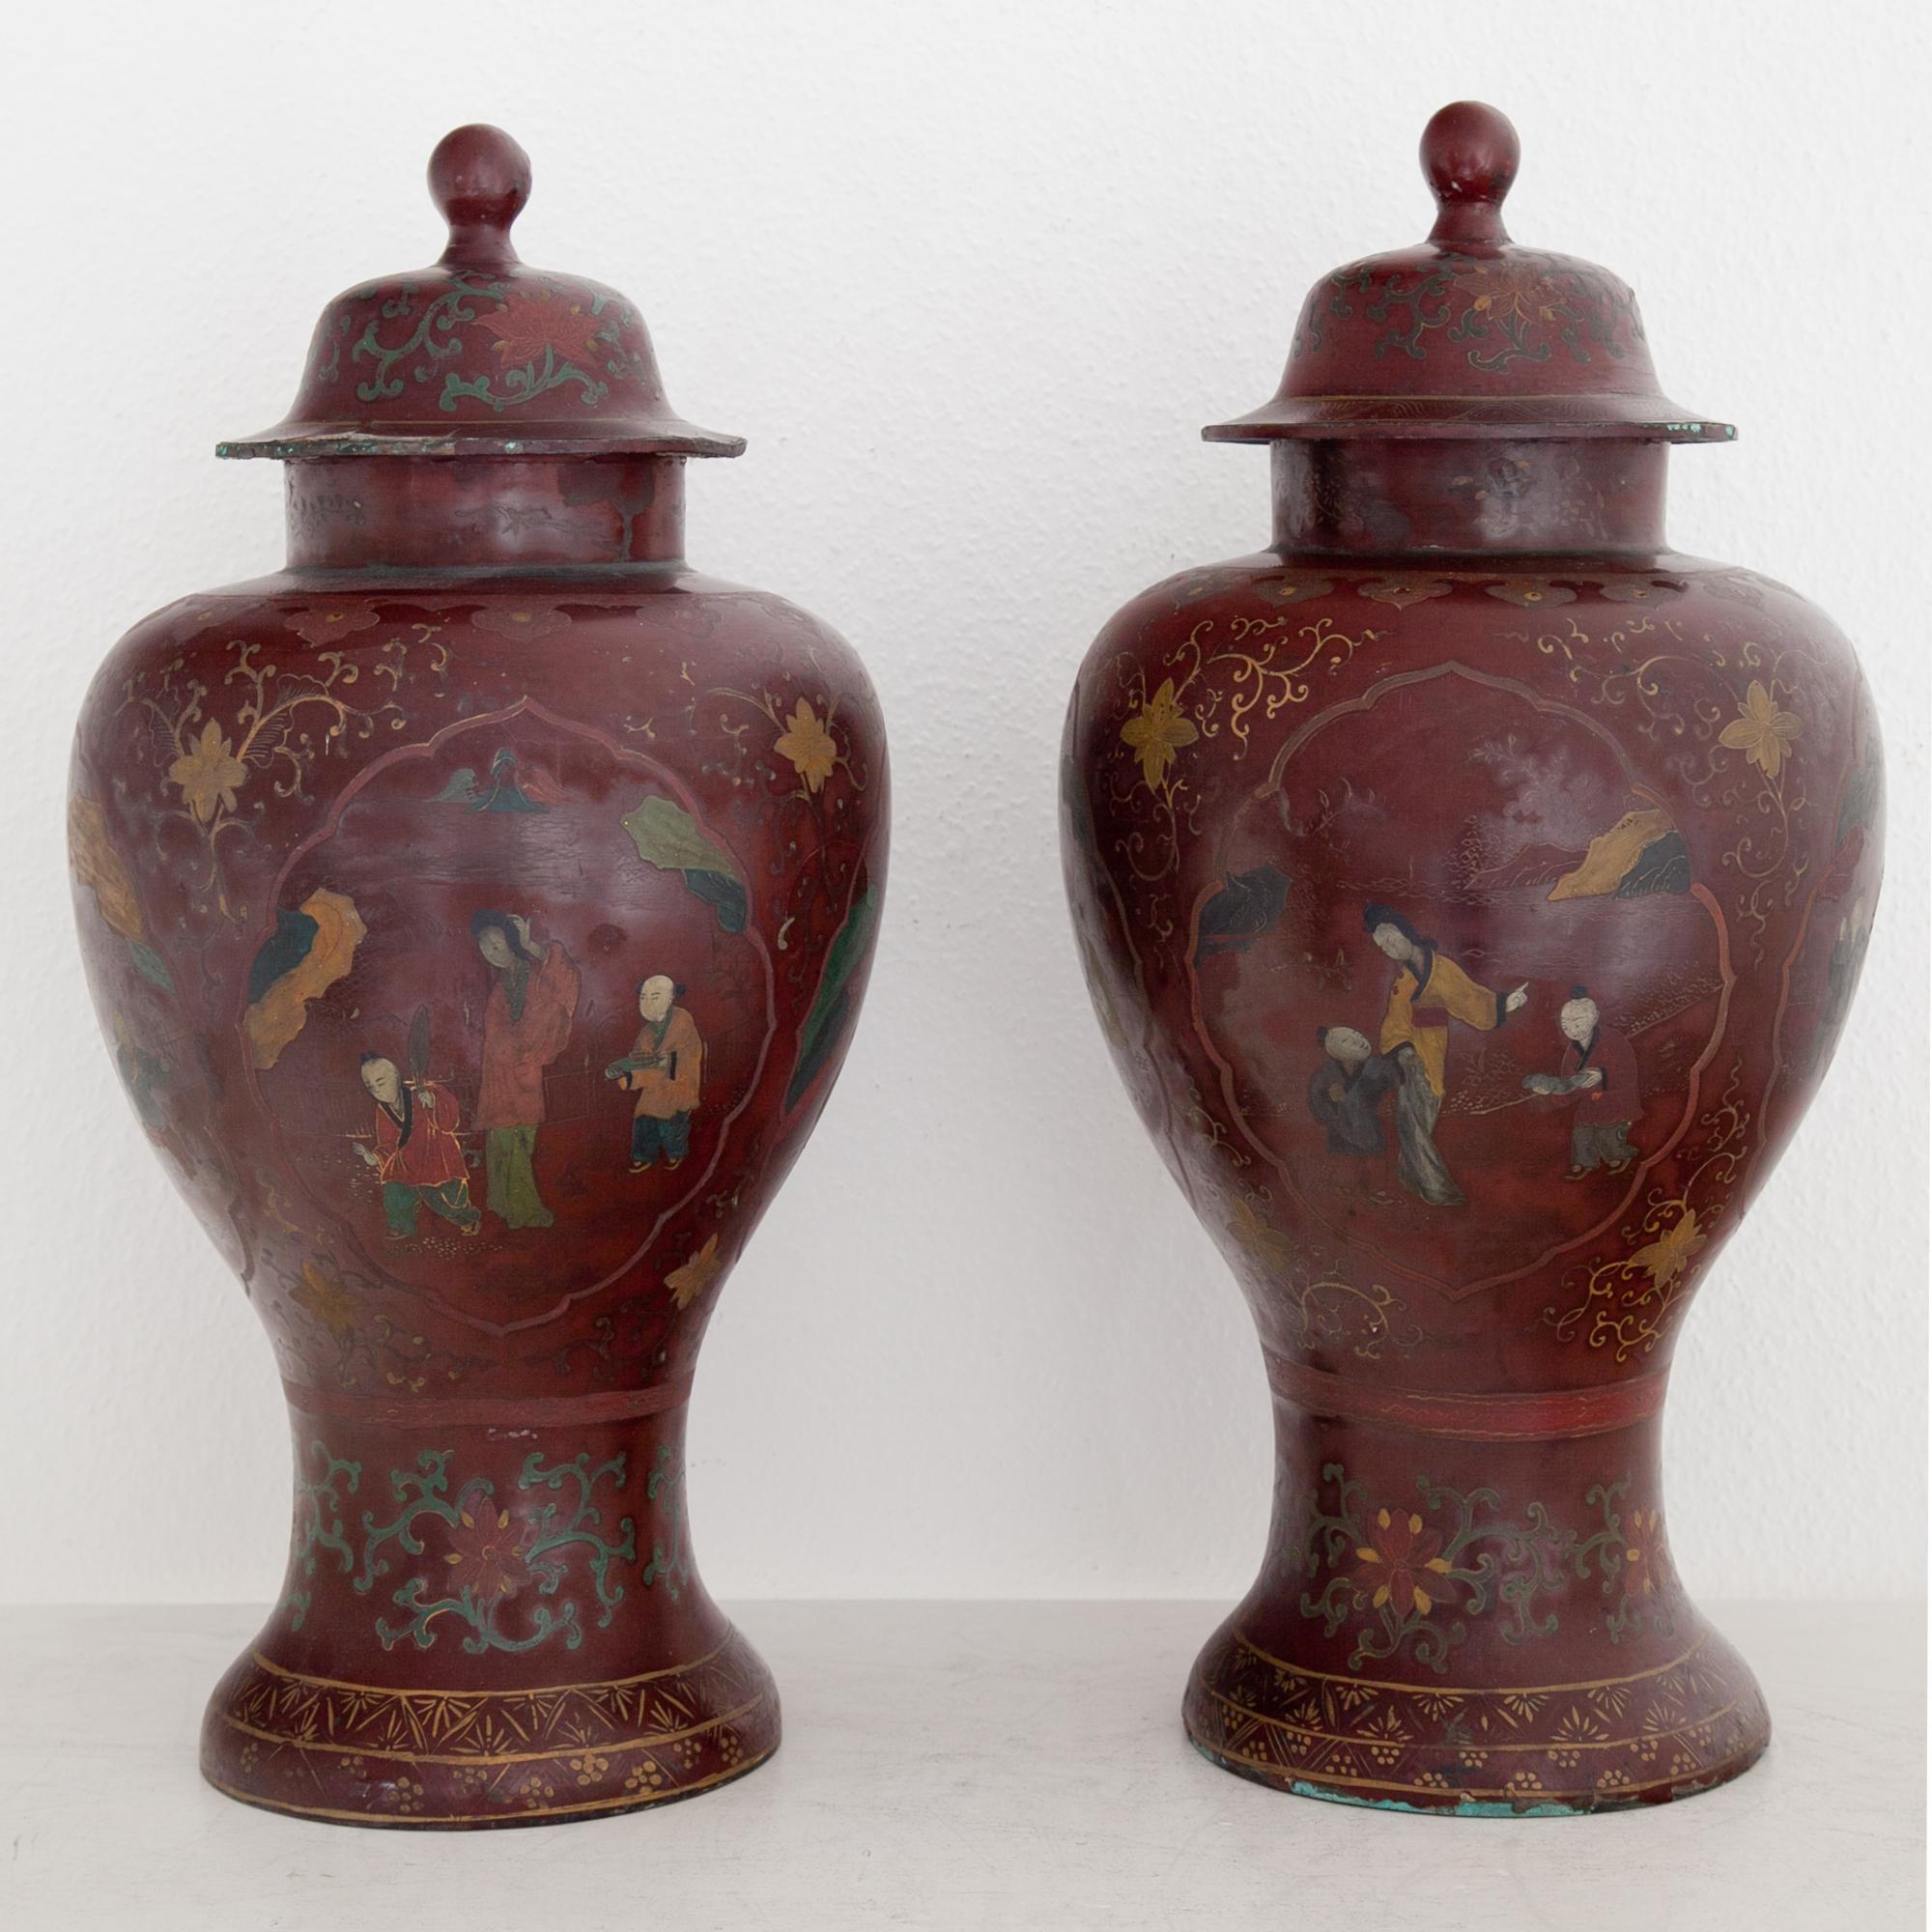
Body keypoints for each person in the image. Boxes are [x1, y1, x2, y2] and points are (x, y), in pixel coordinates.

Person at [1365, 902, 1528, 1208]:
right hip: (1409, 1056)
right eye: (1382, 945)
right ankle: (1438, 1188)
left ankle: (1408, 1175)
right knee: (1409, 1116)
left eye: (1390, 938)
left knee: (1421, 1117)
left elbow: (1470, 998)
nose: (1388, 948)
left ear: (1406, 930)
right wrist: (1403, 1049)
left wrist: (1503, 1005)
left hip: (1433, 1049)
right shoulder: (1403, 982)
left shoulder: (1441, 968)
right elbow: (1395, 1022)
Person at [471, 910, 580, 1230]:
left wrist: (532, 945)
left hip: (524, 1074)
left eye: (496, 942)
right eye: (484, 946)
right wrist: (505, 1048)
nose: (491, 951)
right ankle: (513, 1208)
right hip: (500, 1079)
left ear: (512, 941)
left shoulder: (533, 975)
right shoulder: (500, 989)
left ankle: (519, 1208)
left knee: (520, 1142)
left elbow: (563, 984)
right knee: (504, 1141)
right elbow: (494, 1034)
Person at [354, 1054, 481, 1239]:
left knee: (447, 1200)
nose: (377, 1092)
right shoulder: (383, 1109)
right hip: (407, 1162)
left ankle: (467, 1219)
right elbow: (389, 1143)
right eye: (371, 1087)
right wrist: (373, 1156)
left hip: (437, 1158)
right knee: (394, 1189)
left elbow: (449, 1123)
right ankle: (401, 1225)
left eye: (381, 1083)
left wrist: (433, 1103)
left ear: (396, 1077)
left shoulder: (424, 1091)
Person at [1522, 986, 1641, 1178]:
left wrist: (1603, 1074)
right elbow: (1570, 1085)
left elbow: (1628, 1069)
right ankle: (1585, 1163)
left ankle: (1618, 1155)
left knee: (1608, 1132)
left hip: (1617, 1098)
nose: (1572, 1031)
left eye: (1578, 1024)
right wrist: (1551, 1093)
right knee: (1581, 1132)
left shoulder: (1613, 1040)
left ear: (1594, 1018)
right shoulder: (1572, 1051)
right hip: (1590, 1103)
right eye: (1566, 1026)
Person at [606, 976, 703, 1172]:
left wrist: (634, 1077)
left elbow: (674, 1059)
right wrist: (623, 1066)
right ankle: (644, 1155)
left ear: (669, 998)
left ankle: (676, 1152)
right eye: (643, 997)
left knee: (671, 1123)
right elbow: (641, 1057)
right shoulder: (646, 1032)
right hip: (656, 1084)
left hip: (680, 1079)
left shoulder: (682, 1020)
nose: (647, 1002)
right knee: (644, 1118)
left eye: (655, 997)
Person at [1305, 1025, 1400, 1155]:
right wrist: (1330, 1098)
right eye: (1348, 1041)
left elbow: (1396, 1082)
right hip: (1341, 1141)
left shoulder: (1378, 1066)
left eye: (1358, 1035)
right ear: (1336, 1050)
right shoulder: (1325, 1076)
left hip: (1373, 1137)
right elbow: (1318, 1107)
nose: (1359, 1042)